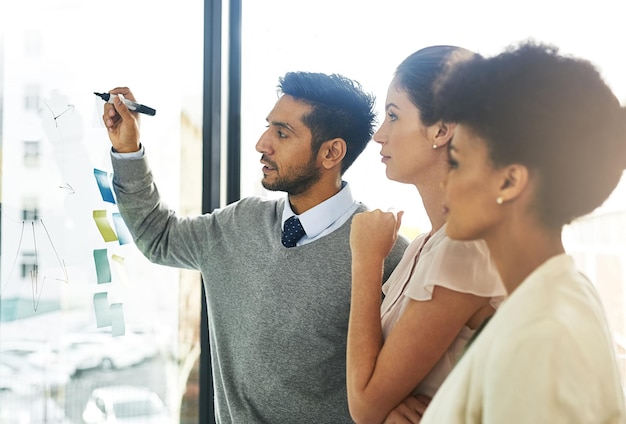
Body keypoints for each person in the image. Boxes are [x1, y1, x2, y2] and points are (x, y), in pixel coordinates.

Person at [101, 72, 409, 423]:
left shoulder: (387, 254)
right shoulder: (239, 223)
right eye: (268, 128)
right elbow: (158, 237)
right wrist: (127, 150)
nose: (262, 143)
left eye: (282, 133)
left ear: (331, 152)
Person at [419, 42, 626, 423]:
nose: (445, 180)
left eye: (458, 161)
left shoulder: (541, 337)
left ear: (510, 181)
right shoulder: (565, 292)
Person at [347, 46, 506, 424]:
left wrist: (366, 261)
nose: (379, 135)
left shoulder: (470, 248)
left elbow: (365, 405)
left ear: (440, 129)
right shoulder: (423, 246)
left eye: (393, 116)